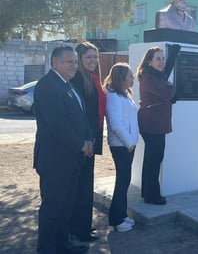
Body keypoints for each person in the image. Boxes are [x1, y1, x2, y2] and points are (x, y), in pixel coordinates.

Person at [34, 46, 92, 254]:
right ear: (55, 63)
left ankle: (62, 245)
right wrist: (81, 144)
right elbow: (57, 124)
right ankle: (47, 249)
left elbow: (81, 118)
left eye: (75, 62)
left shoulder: (67, 86)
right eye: (69, 62)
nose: (74, 66)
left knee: (66, 208)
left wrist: (88, 138)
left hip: (71, 160)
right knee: (53, 209)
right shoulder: (47, 86)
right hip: (55, 161)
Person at [69, 41, 106, 242]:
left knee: (86, 185)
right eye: (88, 57)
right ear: (80, 59)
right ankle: (79, 230)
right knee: (80, 187)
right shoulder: (76, 80)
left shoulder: (92, 78)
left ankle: (83, 226)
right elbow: (79, 115)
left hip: (92, 138)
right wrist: (86, 140)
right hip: (84, 142)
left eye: (95, 57)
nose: (93, 61)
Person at [137, 46, 176, 205]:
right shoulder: (148, 77)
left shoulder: (158, 76)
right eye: (157, 59)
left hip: (157, 123)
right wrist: (172, 86)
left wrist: (168, 86)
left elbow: (166, 93)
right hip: (151, 124)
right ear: (149, 61)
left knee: (152, 159)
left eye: (162, 58)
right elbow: (167, 94)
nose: (161, 62)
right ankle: (153, 195)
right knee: (155, 159)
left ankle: (148, 193)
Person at [104, 63, 138, 232]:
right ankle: (116, 220)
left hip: (128, 145)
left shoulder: (125, 94)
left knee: (125, 182)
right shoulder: (113, 97)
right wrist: (129, 142)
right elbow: (116, 124)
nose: (133, 78)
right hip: (121, 146)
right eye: (130, 76)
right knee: (122, 182)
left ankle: (122, 215)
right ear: (121, 78)